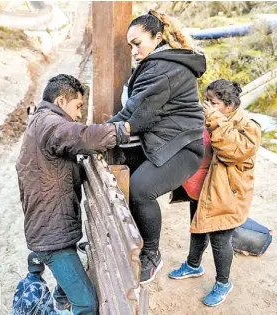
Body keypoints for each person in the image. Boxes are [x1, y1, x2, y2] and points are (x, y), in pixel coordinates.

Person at [16, 74, 162, 314]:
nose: (79, 114)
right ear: (62, 101)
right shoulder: (49, 124)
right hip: (52, 238)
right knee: (86, 303)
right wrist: (123, 129)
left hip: (50, 228)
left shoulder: (39, 122)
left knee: (67, 290)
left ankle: (61, 303)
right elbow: (83, 136)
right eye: (78, 106)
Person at [107, 10, 207, 284]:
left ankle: (151, 253)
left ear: (158, 37)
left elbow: (135, 116)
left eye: (137, 43)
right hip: (165, 141)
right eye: (130, 46)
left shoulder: (164, 67)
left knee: (140, 190)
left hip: (183, 147)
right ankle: (126, 237)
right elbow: (135, 110)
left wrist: (91, 135)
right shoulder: (156, 63)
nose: (134, 50)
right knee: (124, 179)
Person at [168, 79, 261, 307]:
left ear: (229, 105)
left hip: (225, 195)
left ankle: (223, 283)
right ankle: (193, 265)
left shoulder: (248, 127)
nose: (207, 105)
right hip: (202, 188)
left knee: (220, 241)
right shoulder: (209, 117)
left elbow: (232, 151)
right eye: (206, 100)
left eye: (213, 102)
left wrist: (215, 119)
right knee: (197, 228)